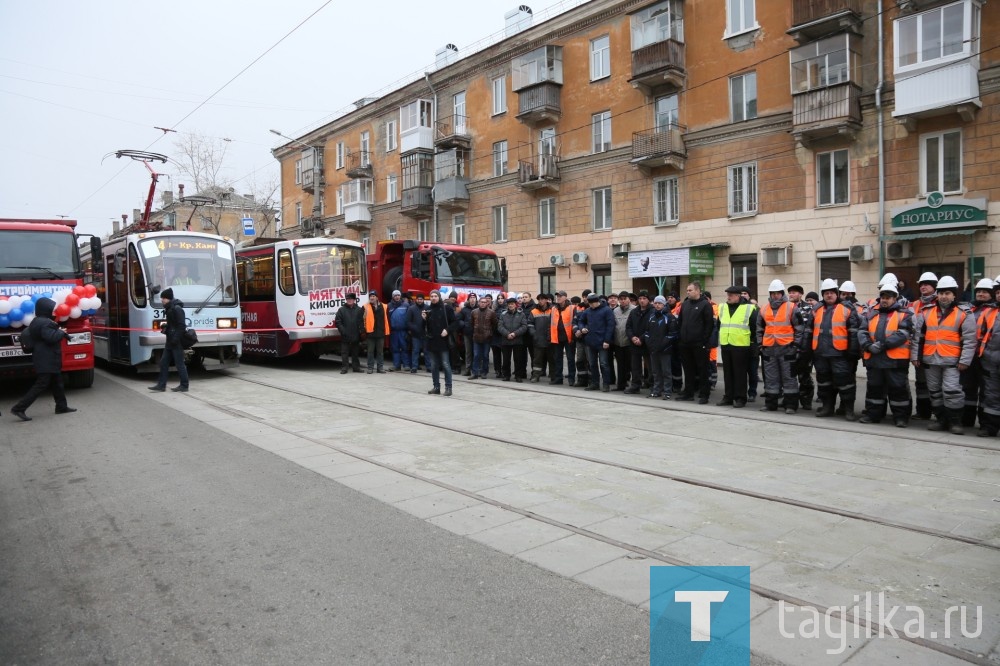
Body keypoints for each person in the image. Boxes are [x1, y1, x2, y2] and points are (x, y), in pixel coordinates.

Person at [911, 276, 977, 435]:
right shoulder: (926, 312)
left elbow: (970, 340)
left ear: (954, 295)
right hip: (930, 360)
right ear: (937, 295)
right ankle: (941, 419)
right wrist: (915, 356)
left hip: (952, 361)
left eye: (947, 293)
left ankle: (955, 422)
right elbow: (918, 337)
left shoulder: (964, 313)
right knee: (934, 391)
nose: (944, 296)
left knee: (952, 391)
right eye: (941, 293)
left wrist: (965, 361)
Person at [11, 297, 76, 421]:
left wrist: (59, 332)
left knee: (58, 383)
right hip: (46, 359)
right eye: (51, 309)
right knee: (41, 385)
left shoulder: (37, 321)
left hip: (46, 358)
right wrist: (61, 333)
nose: (53, 311)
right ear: (45, 309)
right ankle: (19, 408)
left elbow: (46, 334)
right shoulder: (45, 322)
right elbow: (50, 337)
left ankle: (61, 407)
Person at [858, 284, 914, 427]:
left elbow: (903, 334)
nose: (884, 300)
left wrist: (882, 345)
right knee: (874, 388)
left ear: (895, 298)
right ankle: (873, 415)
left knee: (898, 389)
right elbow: (862, 331)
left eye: (888, 298)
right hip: (874, 359)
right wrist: (868, 346)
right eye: (882, 297)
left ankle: (901, 418)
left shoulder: (905, 314)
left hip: (895, 360)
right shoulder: (871, 314)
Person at [810, 279, 861, 421]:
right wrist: (806, 351)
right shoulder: (816, 310)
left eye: (832, 293)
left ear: (837, 294)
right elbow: (809, 331)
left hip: (840, 354)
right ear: (823, 295)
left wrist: (852, 351)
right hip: (821, 354)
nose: (829, 295)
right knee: (824, 384)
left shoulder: (847, 308)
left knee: (845, 383)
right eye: (826, 293)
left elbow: (853, 332)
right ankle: (827, 407)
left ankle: (848, 410)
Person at [757, 280, 805, 414]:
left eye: (777, 293)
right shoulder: (764, 308)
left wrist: (796, 345)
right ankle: (771, 404)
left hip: (787, 348)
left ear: (782, 293)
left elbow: (800, 328)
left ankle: (790, 405)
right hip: (769, 348)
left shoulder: (791, 307)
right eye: (772, 293)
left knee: (789, 378)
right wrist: (761, 345)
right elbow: (759, 328)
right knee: (771, 378)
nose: (775, 296)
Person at [960, 278, 997, 427]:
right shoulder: (969, 308)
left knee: (986, 390)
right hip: (970, 354)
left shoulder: (994, 310)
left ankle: (984, 423)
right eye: (979, 292)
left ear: (991, 294)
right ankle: (966, 420)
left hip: (985, 356)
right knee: (967, 387)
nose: (981, 294)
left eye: (985, 292)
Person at [717, 285, 757, 408]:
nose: (728, 297)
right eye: (727, 295)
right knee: (727, 373)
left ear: (738, 296)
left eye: (731, 295)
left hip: (741, 345)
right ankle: (728, 396)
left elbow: (754, 327)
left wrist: (752, 343)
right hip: (726, 343)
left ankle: (740, 398)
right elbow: (719, 324)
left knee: (740, 373)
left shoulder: (749, 308)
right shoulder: (723, 307)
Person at [676, 281, 715, 403]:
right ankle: (688, 392)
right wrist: (681, 338)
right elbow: (680, 322)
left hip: (699, 343)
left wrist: (704, 341)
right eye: (687, 290)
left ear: (698, 291)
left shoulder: (705, 305)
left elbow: (709, 325)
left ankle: (704, 394)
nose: (688, 292)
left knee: (702, 370)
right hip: (685, 343)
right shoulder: (685, 304)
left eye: (690, 290)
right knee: (688, 369)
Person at [147, 287, 190, 393]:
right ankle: (161, 385)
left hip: (176, 341)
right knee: (163, 363)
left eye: (164, 298)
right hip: (170, 341)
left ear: (169, 298)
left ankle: (184, 385)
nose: (162, 300)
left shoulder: (177, 309)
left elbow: (181, 326)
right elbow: (174, 325)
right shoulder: (170, 308)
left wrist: (175, 339)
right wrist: (167, 326)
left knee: (179, 363)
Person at [911, 272, 939, 419]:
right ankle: (923, 412)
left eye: (927, 284)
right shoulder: (915, 304)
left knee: (936, 384)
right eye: (921, 284)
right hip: (919, 349)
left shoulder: (940, 303)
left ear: (935, 287)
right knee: (921, 383)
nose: (923, 287)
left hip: (936, 350)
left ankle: (939, 412)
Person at [576, 292, 615, 391]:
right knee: (592, 364)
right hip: (590, 342)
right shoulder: (588, 311)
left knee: (603, 364)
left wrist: (607, 340)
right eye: (589, 303)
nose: (591, 305)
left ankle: (606, 384)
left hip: (602, 342)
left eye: (593, 303)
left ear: (597, 302)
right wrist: (582, 328)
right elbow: (581, 321)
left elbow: (610, 326)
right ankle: (595, 383)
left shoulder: (607, 310)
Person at [642, 295, 679, 399]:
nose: (657, 305)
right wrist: (650, 344)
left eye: (660, 303)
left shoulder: (669, 317)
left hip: (665, 350)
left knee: (666, 371)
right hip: (653, 350)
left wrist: (661, 345)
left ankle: (667, 391)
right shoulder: (651, 317)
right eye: (656, 303)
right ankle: (656, 390)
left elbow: (672, 334)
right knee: (655, 371)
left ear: (664, 304)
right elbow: (647, 332)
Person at [423, 290, 458, 396]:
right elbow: (425, 327)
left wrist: (447, 330)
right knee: (434, 366)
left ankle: (448, 388)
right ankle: (436, 387)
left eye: (435, 296)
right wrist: (424, 319)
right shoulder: (428, 309)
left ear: (439, 297)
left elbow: (455, 322)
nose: (433, 298)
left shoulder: (446, 308)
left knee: (446, 364)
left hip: (443, 341)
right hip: (432, 341)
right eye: (431, 296)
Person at [976, 281, 1000, 437]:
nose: (999, 295)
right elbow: (979, 335)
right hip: (991, 361)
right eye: (997, 292)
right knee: (991, 395)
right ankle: (990, 427)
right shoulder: (989, 312)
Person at [788, 284, 815, 411]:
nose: (791, 295)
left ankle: (806, 400)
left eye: (794, 292)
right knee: (789, 376)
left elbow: (809, 330)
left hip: (804, 348)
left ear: (800, 294)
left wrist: (805, 348)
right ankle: (790, 399)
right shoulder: (786, 308)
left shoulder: (808, 309)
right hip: (788, 347)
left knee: (804, 376)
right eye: (790, 293)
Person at [625, 291, 651, 394]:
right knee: (635, 366)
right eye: (640, 299)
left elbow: (651, 328)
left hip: (647, 342)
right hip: (635, 343)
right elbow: (628, 326)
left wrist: (642, 338)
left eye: (644, 298)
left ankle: (653, 385)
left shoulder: (652, 311)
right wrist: (633, 338)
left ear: (648, 300)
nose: (642, 301)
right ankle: (635, 386)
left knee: (651, 366)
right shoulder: (634, 312)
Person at [497, 296, 528, 382]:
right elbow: (500, 326)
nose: (510, 306)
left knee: (518, 360)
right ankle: (506, 375)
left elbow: (524, 326)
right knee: (506, 360)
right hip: (506, 340)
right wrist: (507, 334)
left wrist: (515, 333)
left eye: (512, 304)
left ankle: (518, 376)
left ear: (516, 305)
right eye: (509, 304)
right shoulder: (503, 314)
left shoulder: (521, 314)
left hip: (517, 341)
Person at [549, 290, 575, 386]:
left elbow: (574, 322)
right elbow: (551, 323)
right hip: (557, 338)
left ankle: (571, 378)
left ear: (565, 297)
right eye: (557, 296)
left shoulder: (572, 308)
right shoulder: (554, 308)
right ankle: (558, 378)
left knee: (570, 359)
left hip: (569, 338)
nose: (558, 298)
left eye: (560, 296)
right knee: (557, 359)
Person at [334, 292, 363, 373]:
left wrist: (361, 332)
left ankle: (356, 367)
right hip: (345, 336)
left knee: (355, 353)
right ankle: (344, 368)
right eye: (348, 299)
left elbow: (361, 322)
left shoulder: (359, 310)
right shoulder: (341, 310)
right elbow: (338, 322)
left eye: (351, 299)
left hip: (356, 335)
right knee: (344, 353)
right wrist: (343, 331)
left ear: (354, 300)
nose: (349, 300)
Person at [470, 293, 497, 380]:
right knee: (476, 355)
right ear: (478, 303)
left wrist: (490, 333)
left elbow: (495, 325)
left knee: (485, 356)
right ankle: (475, 373)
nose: (483, 303)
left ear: (487, 303)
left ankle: (484, 372)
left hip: (487, 338)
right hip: (476, 337)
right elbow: (471, 324)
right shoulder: (474, 312)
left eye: (484, 302)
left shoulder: (492, 312)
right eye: (481, 302)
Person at [362, 290, 389, 374]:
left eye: (373, 296)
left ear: (377, 298)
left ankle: (380, 368)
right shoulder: (365, 307)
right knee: (370, 352)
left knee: (380, 352)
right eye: (370, 296)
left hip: (380, 333)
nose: (371, 298)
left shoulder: (384, 306)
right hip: (370, 333)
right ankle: (370, 368)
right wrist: (363, 330)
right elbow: (362, 319)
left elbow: (387, 319)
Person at [527, 293, 552, 382]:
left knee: (551, 359)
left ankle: (553, 377)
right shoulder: (534, 311)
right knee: (537, 359)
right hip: (538, 339)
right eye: (539, 299)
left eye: (542, 299)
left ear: (546, 300)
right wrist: (534, 334)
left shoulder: (553, 310)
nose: (540, 301)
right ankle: (535, 376)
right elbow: (530, 324)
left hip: (551, 338)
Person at [611, 291, 633, 391]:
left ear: (629, 299)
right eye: (621, 299)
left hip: (629, 342)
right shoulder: (615, 311)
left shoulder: (634, 310)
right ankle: (621, 385)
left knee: (631, 365)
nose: (623, 301)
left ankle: (634, 385)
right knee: (620, 365)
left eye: (625, 299)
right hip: (618, 342)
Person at [387, 289, 410, 372]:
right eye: (395, 295)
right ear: (393, 297)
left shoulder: (406, 305)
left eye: (398, 295)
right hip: (393, 331)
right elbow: (387, 319)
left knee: (404, 348)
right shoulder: (389, 306)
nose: (397, 297)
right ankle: (396, 365)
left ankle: (406, 365)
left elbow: (409, 317)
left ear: (400, 296)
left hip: (403, 331)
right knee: (395, 349)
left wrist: (409, 329)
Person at [459, 293, 479, 376]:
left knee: (476, 352)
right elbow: (459, 319)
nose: (472, 299)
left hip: (477, 334)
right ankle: (468, 369)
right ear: (468, 299)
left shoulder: (479, 308)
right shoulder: (464, 309)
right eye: (471, 297)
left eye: (474, 297)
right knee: (468, 352)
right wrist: (464, 325)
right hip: (467, 334)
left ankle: (476, 370)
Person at [406, 293, 427, 373]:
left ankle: (429, 367)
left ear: (423, 300)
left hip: (425, 334)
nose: (419, 300)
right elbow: (408, 322)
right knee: (415, 351)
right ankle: (414, 367)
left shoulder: (427, 308)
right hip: (415, 334)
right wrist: (415, 328)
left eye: (421, 299)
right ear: (416, 299)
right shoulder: (411, 309)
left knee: (426, 351)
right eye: (418, 299)